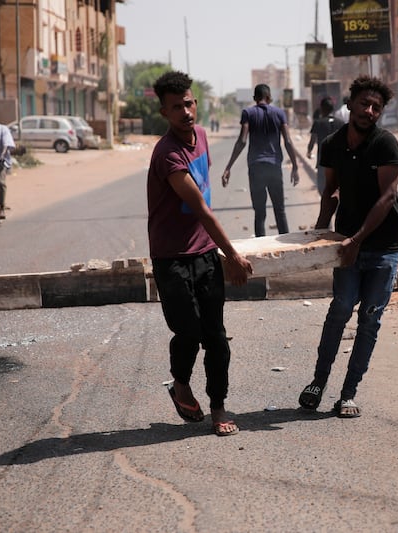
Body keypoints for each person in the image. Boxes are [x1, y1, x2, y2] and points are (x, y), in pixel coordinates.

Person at [298, 75, 398, 418]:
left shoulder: (385, 144)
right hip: (346, 242)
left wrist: (355, 240)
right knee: (341, 308)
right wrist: (320, 233)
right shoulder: (332, 143)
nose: (369, 110)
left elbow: (388, 196)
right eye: (364, 103)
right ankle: (318, 382)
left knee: (369, 319)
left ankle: (348, 394)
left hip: (382, 247)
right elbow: (331, 190)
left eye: (376, 106)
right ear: (349, 104)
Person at [148, 70, 253, 437]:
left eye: (189, 103)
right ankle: (180, 384)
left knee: (217, 338)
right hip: (171, 257)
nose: (186, 112)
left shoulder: (203, 136)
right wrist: (234, 256)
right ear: (164, 112)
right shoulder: (167, 154)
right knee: (188, 330)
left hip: (204, 253)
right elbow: (202, 208)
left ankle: (219, 405)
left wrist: (217, 251)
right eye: (176, 107)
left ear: (197, 103)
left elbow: (206, 195)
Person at [221, 84, 300, 237]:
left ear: (254, 98)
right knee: (280, 210)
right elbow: (288, 141)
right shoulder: (279, 113)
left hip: (256, 167)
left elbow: (242, 141)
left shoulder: (248, 113)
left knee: (259, 212)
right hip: (274, 166)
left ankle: (260, 248)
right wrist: (295, 167)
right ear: (269, 98)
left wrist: (228, 167)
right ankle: (286, 246)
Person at [307, 97, 345, 194]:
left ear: (322, 108)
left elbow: (312, 140)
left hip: (323, 161)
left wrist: (309, 151)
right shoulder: (341, 123)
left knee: (322, 188)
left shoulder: (318, 123)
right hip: (338, 161)